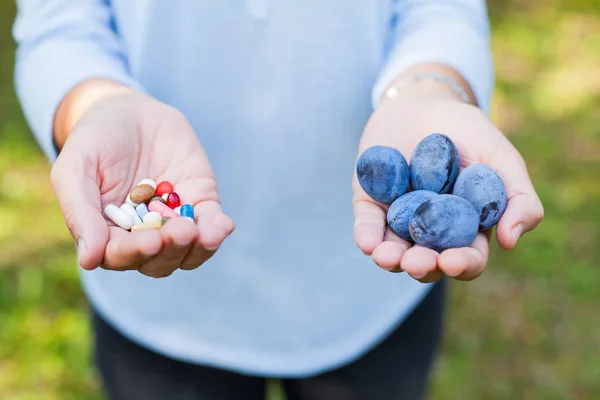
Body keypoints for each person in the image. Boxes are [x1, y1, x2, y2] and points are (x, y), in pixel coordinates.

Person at [13, 1, 543, 399]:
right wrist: (95, 103)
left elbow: (440, 9)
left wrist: (431, 87)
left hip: (365, 292)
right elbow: (59, 21)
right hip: (162, 309)